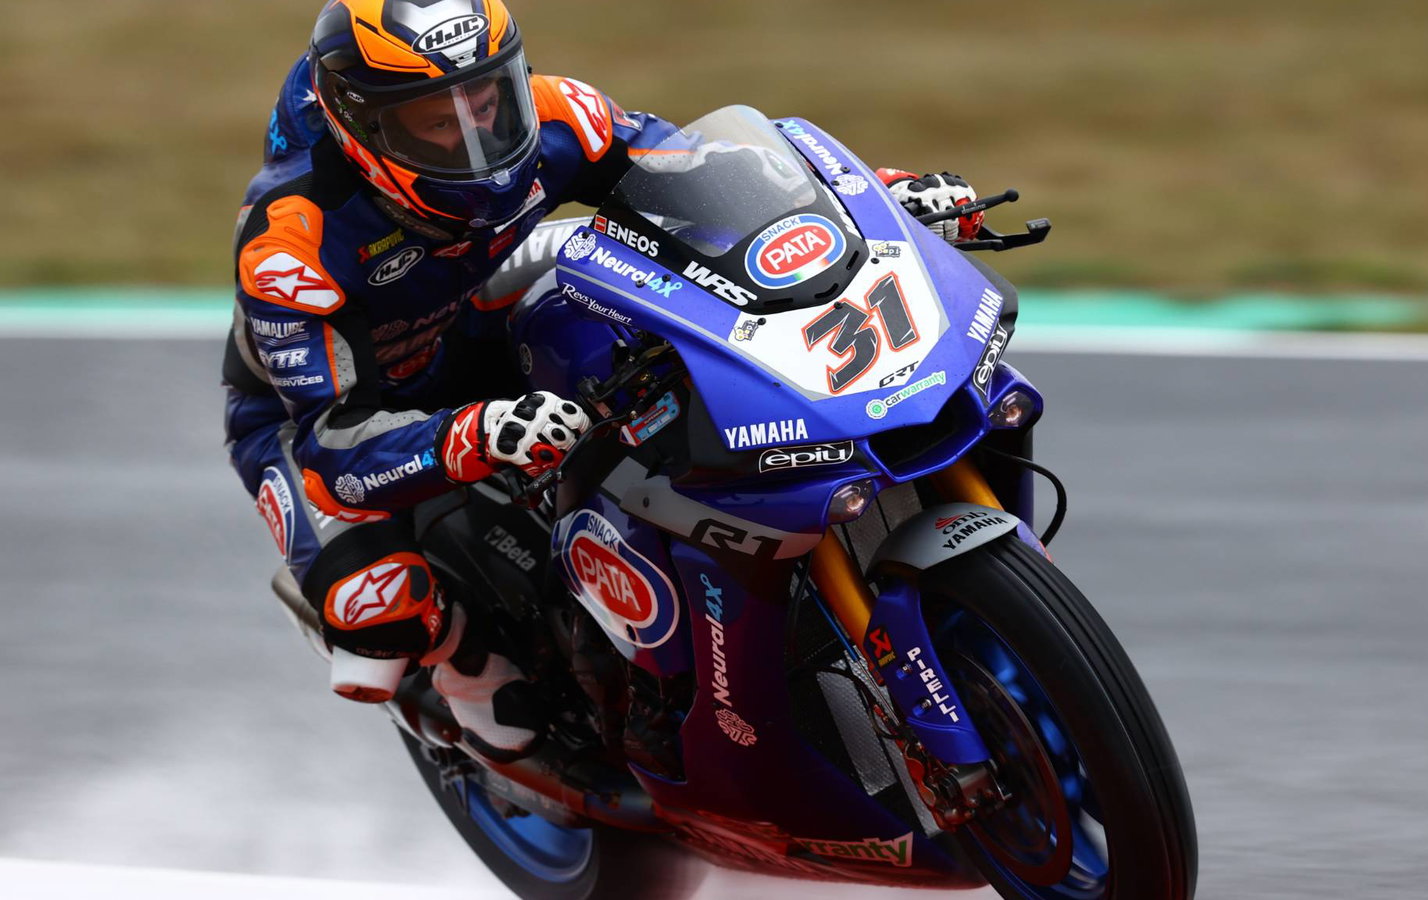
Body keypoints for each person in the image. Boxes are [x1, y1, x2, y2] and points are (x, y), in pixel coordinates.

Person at [224, 0, 987, 762]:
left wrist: (876, 199)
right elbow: (331, 446)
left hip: (481, 304)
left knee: (634, 304)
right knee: (379, 609)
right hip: (324, 415)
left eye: (486, 100)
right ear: (364, 128)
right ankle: (463, 665)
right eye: (435, 121)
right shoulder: (291, 245)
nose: (478, 137)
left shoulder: (561, 115)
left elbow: (709, 176)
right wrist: (474, 434)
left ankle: (658, 543)